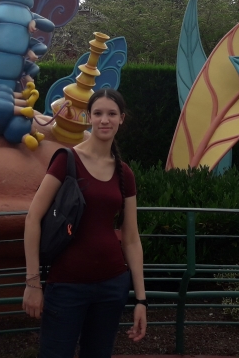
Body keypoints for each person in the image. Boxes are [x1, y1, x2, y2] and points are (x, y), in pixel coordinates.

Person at [23, 88, 147, 358]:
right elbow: (33, 218)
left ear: (121, 118)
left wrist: (141, 299)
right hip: (66, 286)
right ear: (89, 117)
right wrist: (33, 283)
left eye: (112, 114)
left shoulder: (124, 173)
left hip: (112, 286)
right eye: (98, 113)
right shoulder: (66, 160)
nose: (105, 120)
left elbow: (131, 238)